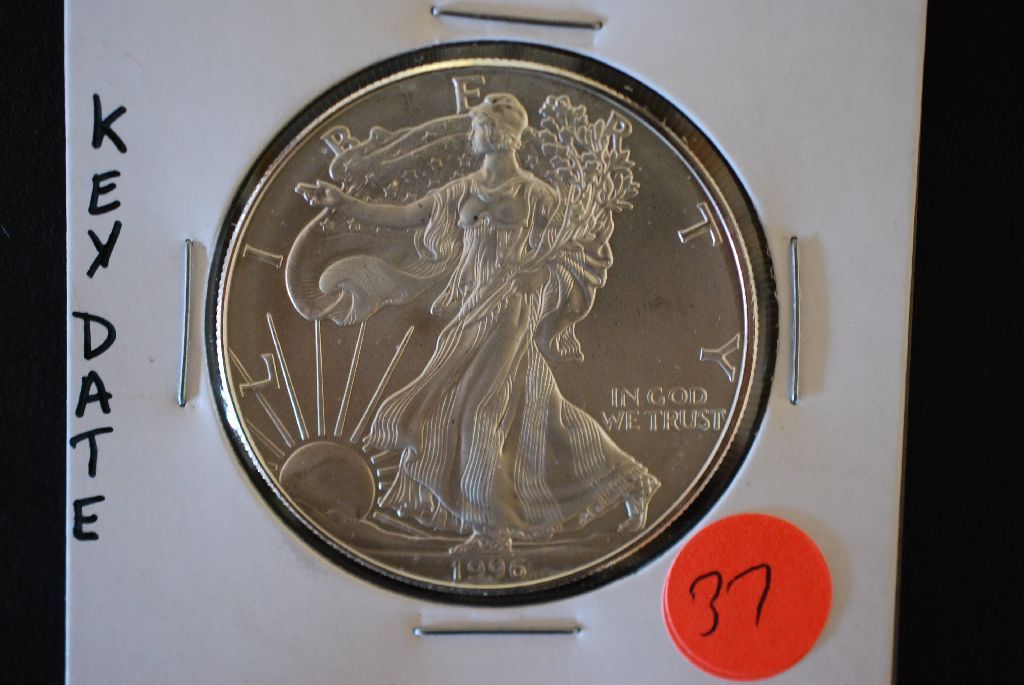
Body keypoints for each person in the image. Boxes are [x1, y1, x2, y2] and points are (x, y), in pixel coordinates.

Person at [297, 93, 658, 552]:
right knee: (543, 411)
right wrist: (346, 203)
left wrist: (542, 272)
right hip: (472, 309)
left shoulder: (535, 194)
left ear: (498, 134)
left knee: (476, 410)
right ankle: (632, 481)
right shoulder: (462, 190)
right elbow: (407, 216)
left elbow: (577, 246)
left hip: (511, 309)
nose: (471, 135)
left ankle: (492, 529)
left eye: (477, 127)